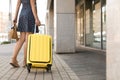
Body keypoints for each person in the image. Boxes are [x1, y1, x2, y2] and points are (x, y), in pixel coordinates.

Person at [10, 0, 41, 67]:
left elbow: (18, 5)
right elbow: (33, 6)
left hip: (22, 15)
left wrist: (15, 17)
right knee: (28, 40)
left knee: (21, 39)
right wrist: (36, 19)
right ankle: (25, 61)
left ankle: (13, 59)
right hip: (30, 15)